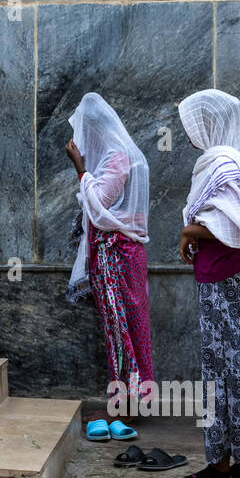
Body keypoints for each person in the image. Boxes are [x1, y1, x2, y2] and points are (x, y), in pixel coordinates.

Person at [170, 90, 240, 478]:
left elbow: (237, 227)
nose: (192, 132)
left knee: (219, 373)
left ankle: (218, 467)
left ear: (212, 123)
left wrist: (189, 230)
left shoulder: (220, 163)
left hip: (220, 283)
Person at [64, 94, 153, 424]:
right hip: (118, 256)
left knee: (122, 328)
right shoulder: (118, 157)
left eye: (82, 133)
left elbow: (100, 206)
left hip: (117, 257)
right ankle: (131, 399)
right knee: (126, 327)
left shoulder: (117, 159)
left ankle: (126, 405)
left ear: (94, 131)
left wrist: (79, 168)